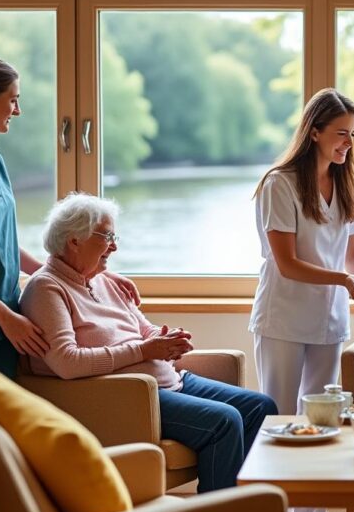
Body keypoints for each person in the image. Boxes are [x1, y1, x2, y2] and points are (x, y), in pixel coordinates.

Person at [20, 193, 278, 493]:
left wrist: (164, 339)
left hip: (168, 381)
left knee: (261, 407)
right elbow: (67, 362)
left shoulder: (103, 280)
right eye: (106, 236)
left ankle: (246, 505)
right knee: (224, 421)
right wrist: (145, 350)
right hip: (126, 397)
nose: (114, 245)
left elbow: (142, 328)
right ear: (74, 240)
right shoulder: (46, 289)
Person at [0, 50, 138, 379]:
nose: (18, 110)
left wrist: (88, 277)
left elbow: (1, 245)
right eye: (13, 100)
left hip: (3, 323)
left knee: (3, 426)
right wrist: (5, 317)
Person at [249, 88, 354, 512]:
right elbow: (286, 263)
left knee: (322, 422)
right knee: (279, 419)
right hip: (283, 316)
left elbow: (352, 255)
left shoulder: (346, 183)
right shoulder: (279, 183)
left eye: (353, 135)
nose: (348, 143)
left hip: (329, 320)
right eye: (341, 133)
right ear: (315, 131)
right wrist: (343, 280)